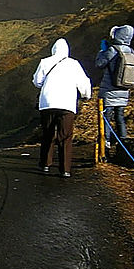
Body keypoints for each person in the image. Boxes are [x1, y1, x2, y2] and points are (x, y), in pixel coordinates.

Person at [32, 38, 92, 177]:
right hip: (67, 103)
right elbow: (84, 82)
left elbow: (37, 81)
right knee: (65, 136)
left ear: (53, 49)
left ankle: (45, 164)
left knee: (48, 133)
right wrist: (86, 95)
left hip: (47, 102)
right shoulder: (74, 64)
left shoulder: (45, 62)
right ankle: (65, 169)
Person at [95, 24, 134, 152]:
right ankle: (123, 143)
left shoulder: (113, 50)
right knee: (120, 117)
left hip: (109, 90)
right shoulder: (131, 52)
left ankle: (106, 144)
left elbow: (99, 64)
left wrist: (102, 51)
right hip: (124, 91)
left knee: (106, 117)